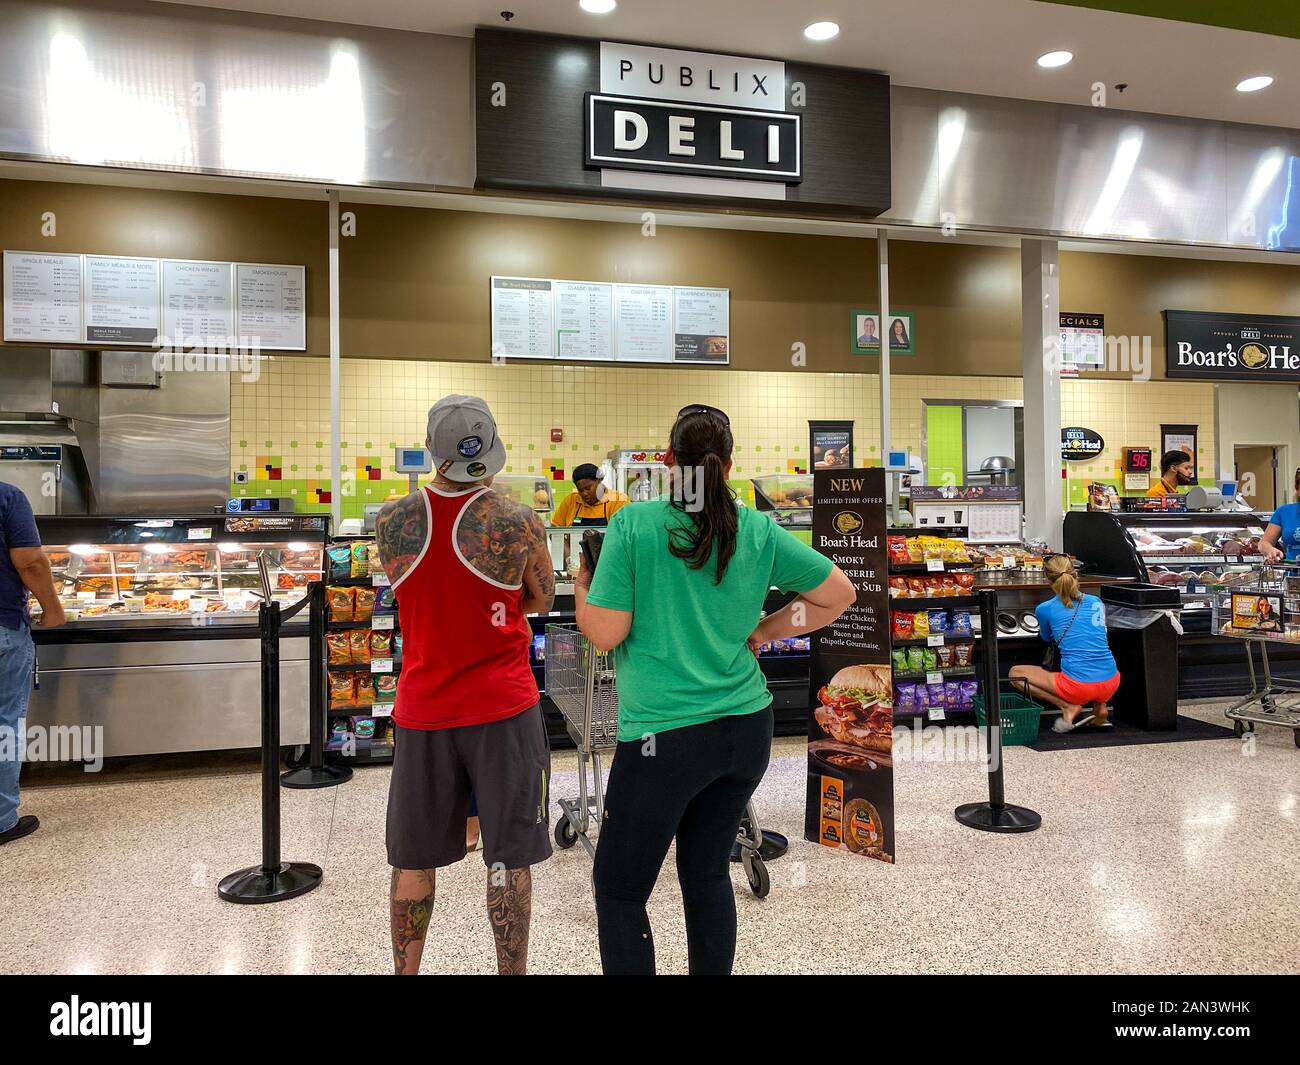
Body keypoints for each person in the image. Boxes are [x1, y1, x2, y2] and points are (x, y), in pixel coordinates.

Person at [576, 404, 855, 975]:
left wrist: (585, 587)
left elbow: (607, 631)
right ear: (727, 466)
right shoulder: (757, 529)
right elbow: (839, 595)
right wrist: (767, 631)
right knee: (705, 874)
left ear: (670, 461)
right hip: (745, 730)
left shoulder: (634, 524)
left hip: (662, 738)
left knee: (622, 891)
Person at [377, 395, 556, 976]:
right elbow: (538, 599)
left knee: (412, 862)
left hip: (423, 709)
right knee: (506, 860)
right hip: (503, 709)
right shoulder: (518, 520)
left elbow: (417, 595)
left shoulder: (393, 521)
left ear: (432, 451)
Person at [1, 481, 65, 847]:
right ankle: (1, 819)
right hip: (3, 627)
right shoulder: (7, 496)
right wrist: (53, 610)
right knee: (3, 724)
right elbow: (30, 561)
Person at [1010, 554, 1121, 733]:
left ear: (1048, 580)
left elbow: (1046, 637)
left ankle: (1067, 706)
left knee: (1015, 673)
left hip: (1077, 687)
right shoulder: (1096, 601)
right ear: (1075, 574)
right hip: (1111, 680)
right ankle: (1101, 707)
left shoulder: (1044, 608)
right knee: (1094, 657)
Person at [551, 462, 630, 571]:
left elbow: (624, 537)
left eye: (588, 488)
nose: (584, 494)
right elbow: (555, 531)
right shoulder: (571, 501)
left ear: (600, 481)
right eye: (580, 490)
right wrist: (570, 559)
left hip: (610, 566)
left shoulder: (619, 501)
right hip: (576, 568)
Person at [1259, 468, 1300, 561]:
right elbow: (1263, 543)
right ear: (1297, 489)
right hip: (1291, 573)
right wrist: (1271, 550)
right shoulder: (1284, 511)